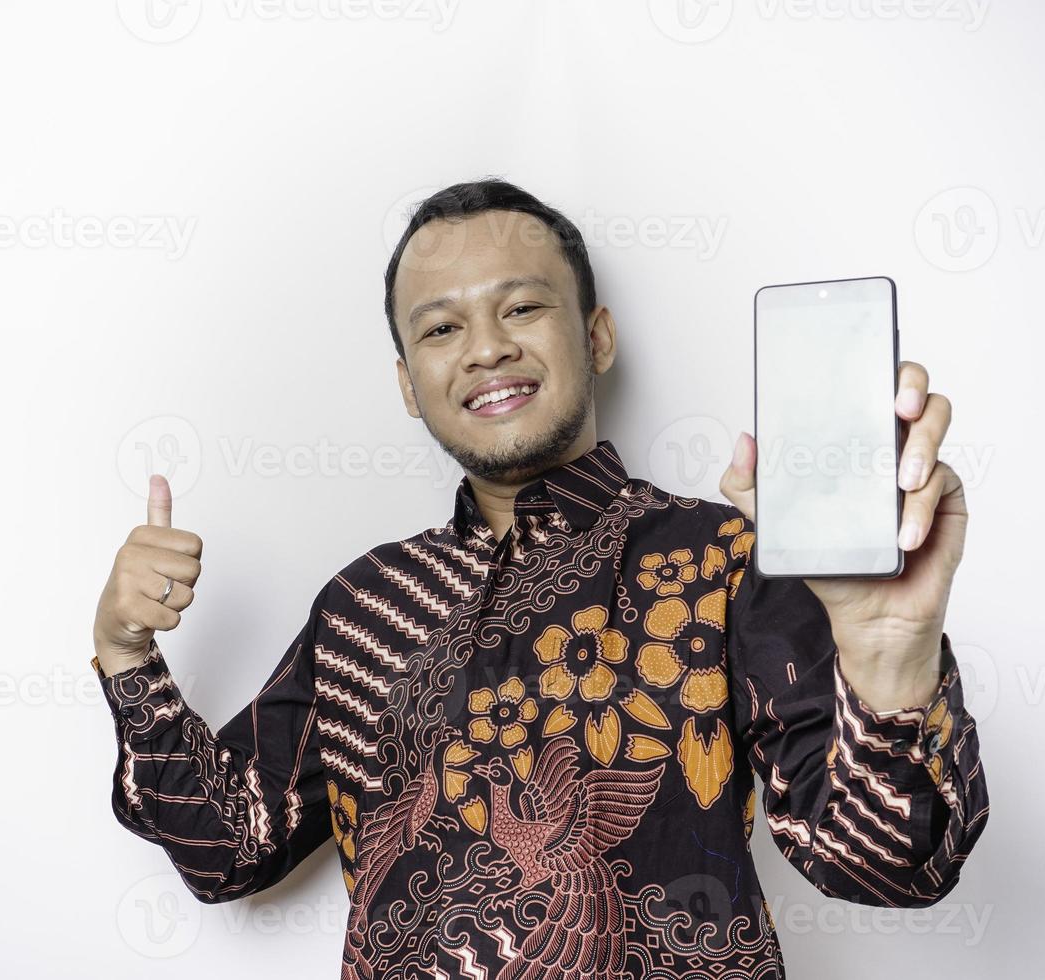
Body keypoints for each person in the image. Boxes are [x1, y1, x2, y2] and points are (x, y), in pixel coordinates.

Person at [90, 179, 988, 980]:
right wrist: (126, 657)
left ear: (597, 336)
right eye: (442, 328)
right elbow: (226, 849)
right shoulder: (365, 607)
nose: (484, 349)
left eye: (521, 309)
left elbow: (889, 863)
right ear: (410, 383)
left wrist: (890, 659)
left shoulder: (723, 560)